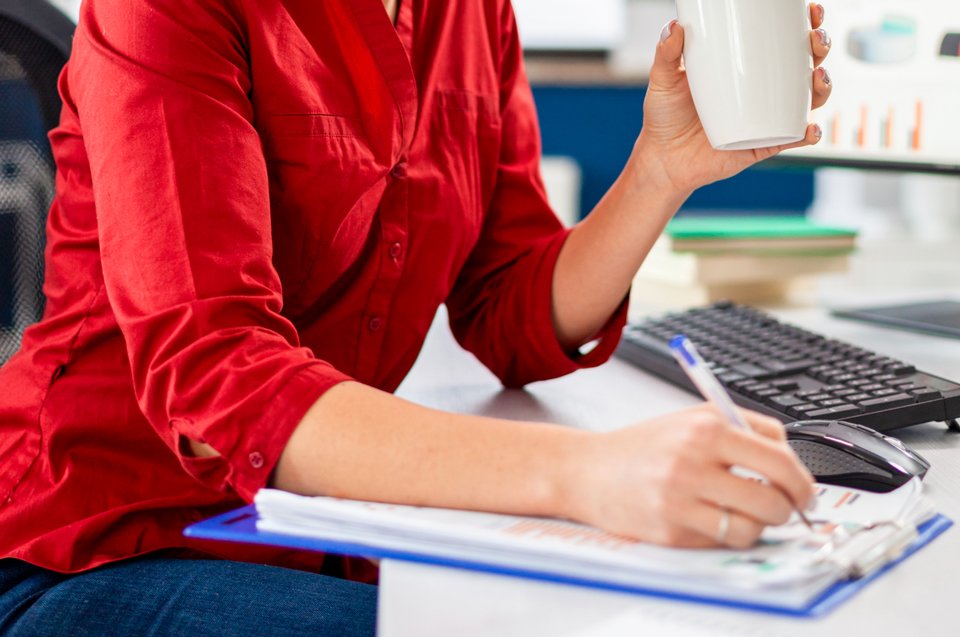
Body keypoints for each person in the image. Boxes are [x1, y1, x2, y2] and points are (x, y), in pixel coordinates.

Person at [0, 0, 833, 634]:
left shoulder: (470, 14)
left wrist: (661, 169)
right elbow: (220, 381)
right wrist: (587, 473)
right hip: (102, 544)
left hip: (321, 524)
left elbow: (509, 307)